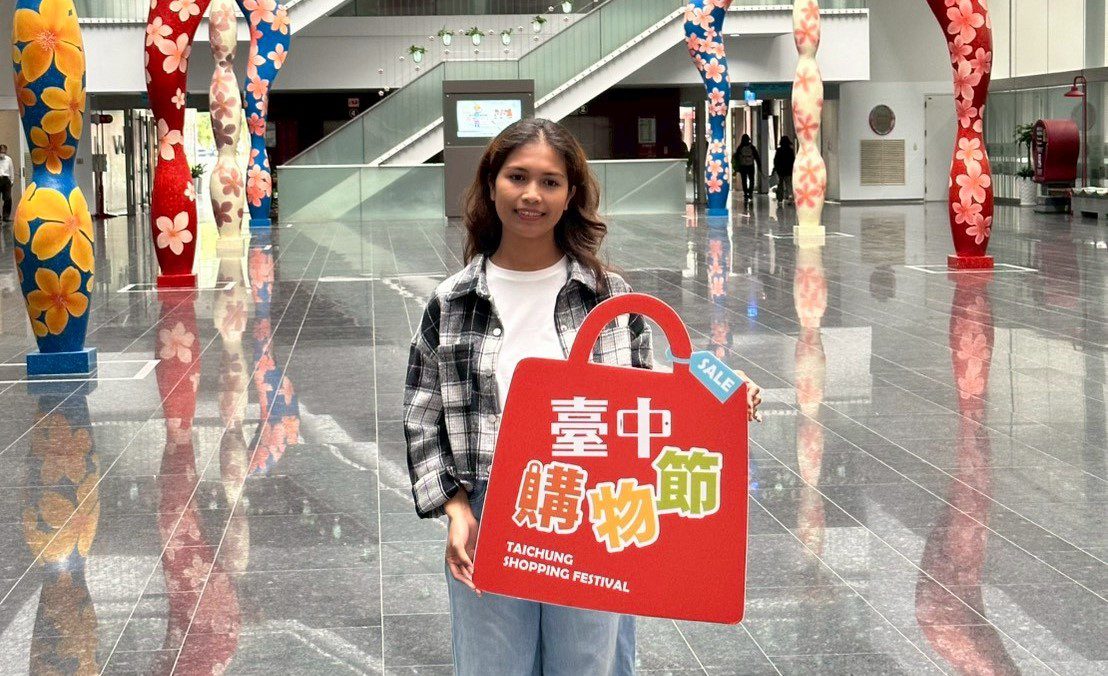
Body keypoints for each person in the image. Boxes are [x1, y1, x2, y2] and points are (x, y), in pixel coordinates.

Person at [404, 117, 762, 675]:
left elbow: (647, 392)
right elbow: (422, 417)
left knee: (588, 663)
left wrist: (720, 395)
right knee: (492, 666)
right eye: (517, 177)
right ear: (491, 184)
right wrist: (455, 510)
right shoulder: (451, 303)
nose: (532, 194)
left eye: (550, 182)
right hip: (490, 511)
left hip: (593, 511)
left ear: (571, 195)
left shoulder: (607, 296)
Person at [732, 134, 761, 204]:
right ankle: (750, 193)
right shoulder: (752, 147)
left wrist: (736, 168)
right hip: (750, 166)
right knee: (752, 180)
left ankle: (745, 194)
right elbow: (757, 157)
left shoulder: (740, 147)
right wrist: (759, 166)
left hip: (743, 166)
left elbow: (736, 158)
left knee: (744, 180)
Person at [773, 137, 795, 204]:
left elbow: (776, 160)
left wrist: (775, 168)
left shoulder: (779, 150)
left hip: (780, 170)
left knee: (780, 184)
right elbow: (793, 160)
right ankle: (790, 197)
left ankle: (780, 199)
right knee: (788, 184)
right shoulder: (790, 150)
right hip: (788, 170)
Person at [0, 145, 14, 222]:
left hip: (6, 180)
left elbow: (11, 170)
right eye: (1, 152)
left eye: (4, 152)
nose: (2, 153)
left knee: (8, 198)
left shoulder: (8, 159)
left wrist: (12, 181)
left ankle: (6, 217)